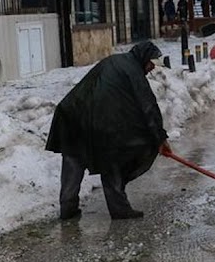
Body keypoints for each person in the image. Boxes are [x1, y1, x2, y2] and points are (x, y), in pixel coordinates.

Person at [46, 41, 172, 221]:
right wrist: (159, 138)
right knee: (112, 160)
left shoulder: (115, 61)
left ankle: (68, 208)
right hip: (96, 121)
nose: (151, 68)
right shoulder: (133, 72)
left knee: (74, 160)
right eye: (151, 63)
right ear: (143, 58)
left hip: (72, 114)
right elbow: (148, 106)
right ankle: (119, 209)